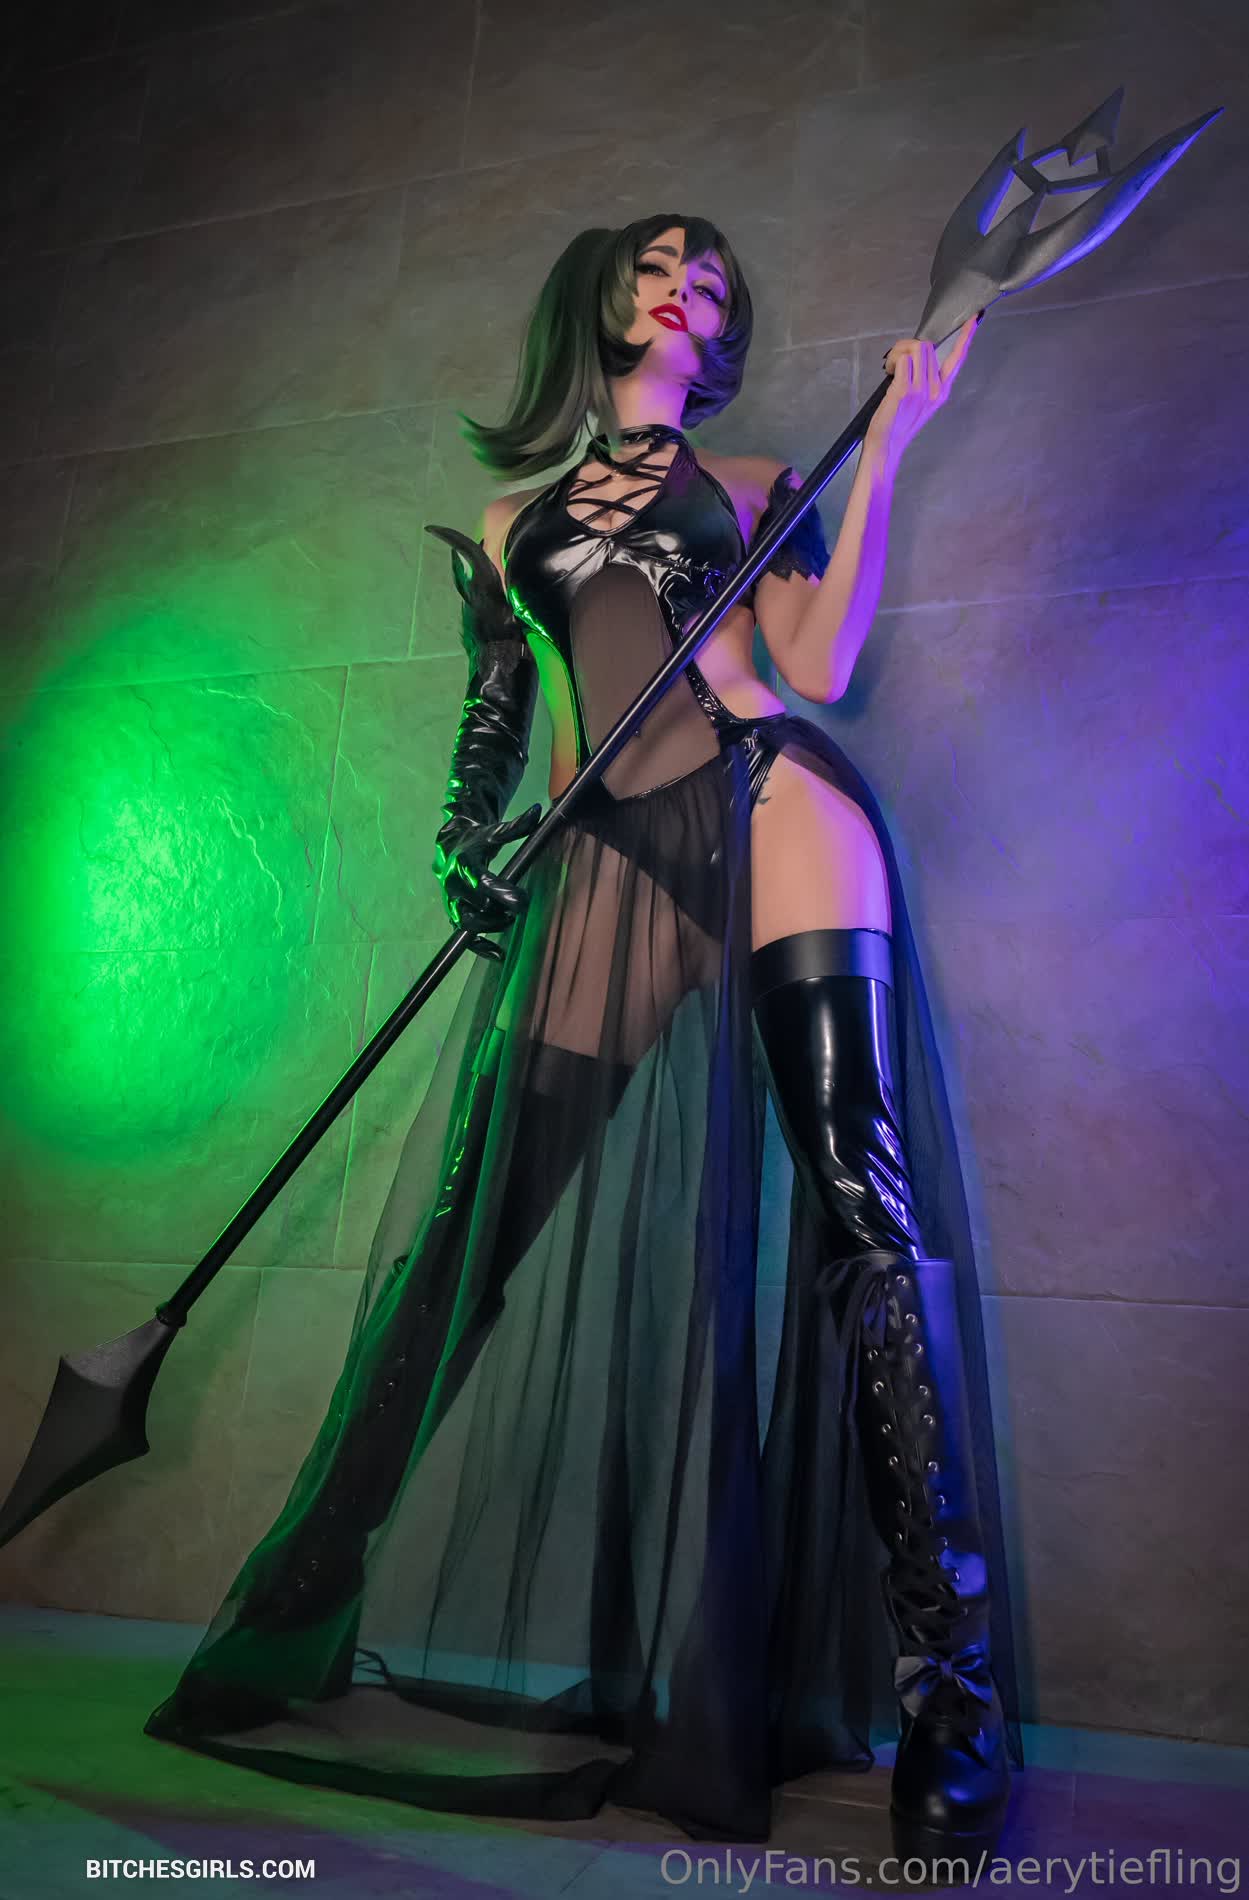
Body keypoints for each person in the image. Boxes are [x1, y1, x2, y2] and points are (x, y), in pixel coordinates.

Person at [145, 214, 1025, 1854]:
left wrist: (893, 444)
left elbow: (818, 660)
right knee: (477, 1221)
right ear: (607, 295)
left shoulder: (755, 481)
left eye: (714, 278)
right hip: (606, 848)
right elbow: (504, 718)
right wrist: (460, 846)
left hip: (769, 799)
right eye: (663, 263)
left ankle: (950, 1695)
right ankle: (302, 1601)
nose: (689, 285)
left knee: (859, 1206)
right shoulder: (507, 525)